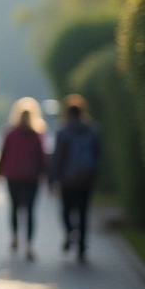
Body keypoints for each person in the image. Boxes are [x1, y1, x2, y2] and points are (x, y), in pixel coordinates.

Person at [50, 94, 101, 263]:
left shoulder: (63, 132)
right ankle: (82, 246)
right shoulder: (92, 131)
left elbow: (57, 157)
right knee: (83, 212)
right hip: (86, 179)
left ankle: (70, 232)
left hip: (67, 180)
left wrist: (53, 179)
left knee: (66, 211)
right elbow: (97, 155)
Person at [0, 97, 48, 261]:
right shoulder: (37, 135)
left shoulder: (11, 133)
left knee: (15, 208)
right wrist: (46, 176)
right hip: (31, 177)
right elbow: (42, 158)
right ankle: (29, 244)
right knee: (30, 211)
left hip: (14, 176)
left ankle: (15, 236)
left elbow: (3, 154)